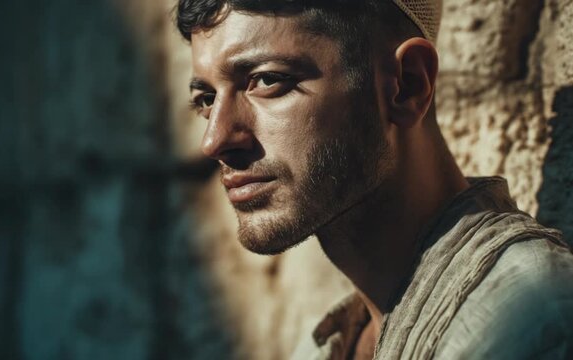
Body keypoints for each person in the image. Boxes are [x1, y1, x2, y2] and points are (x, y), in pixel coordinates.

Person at [174, 0, 573, 358]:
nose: (215, 140)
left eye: (266, 80)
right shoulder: (328, 345)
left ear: (406, 85)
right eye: (207, 99)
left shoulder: (530, 321)